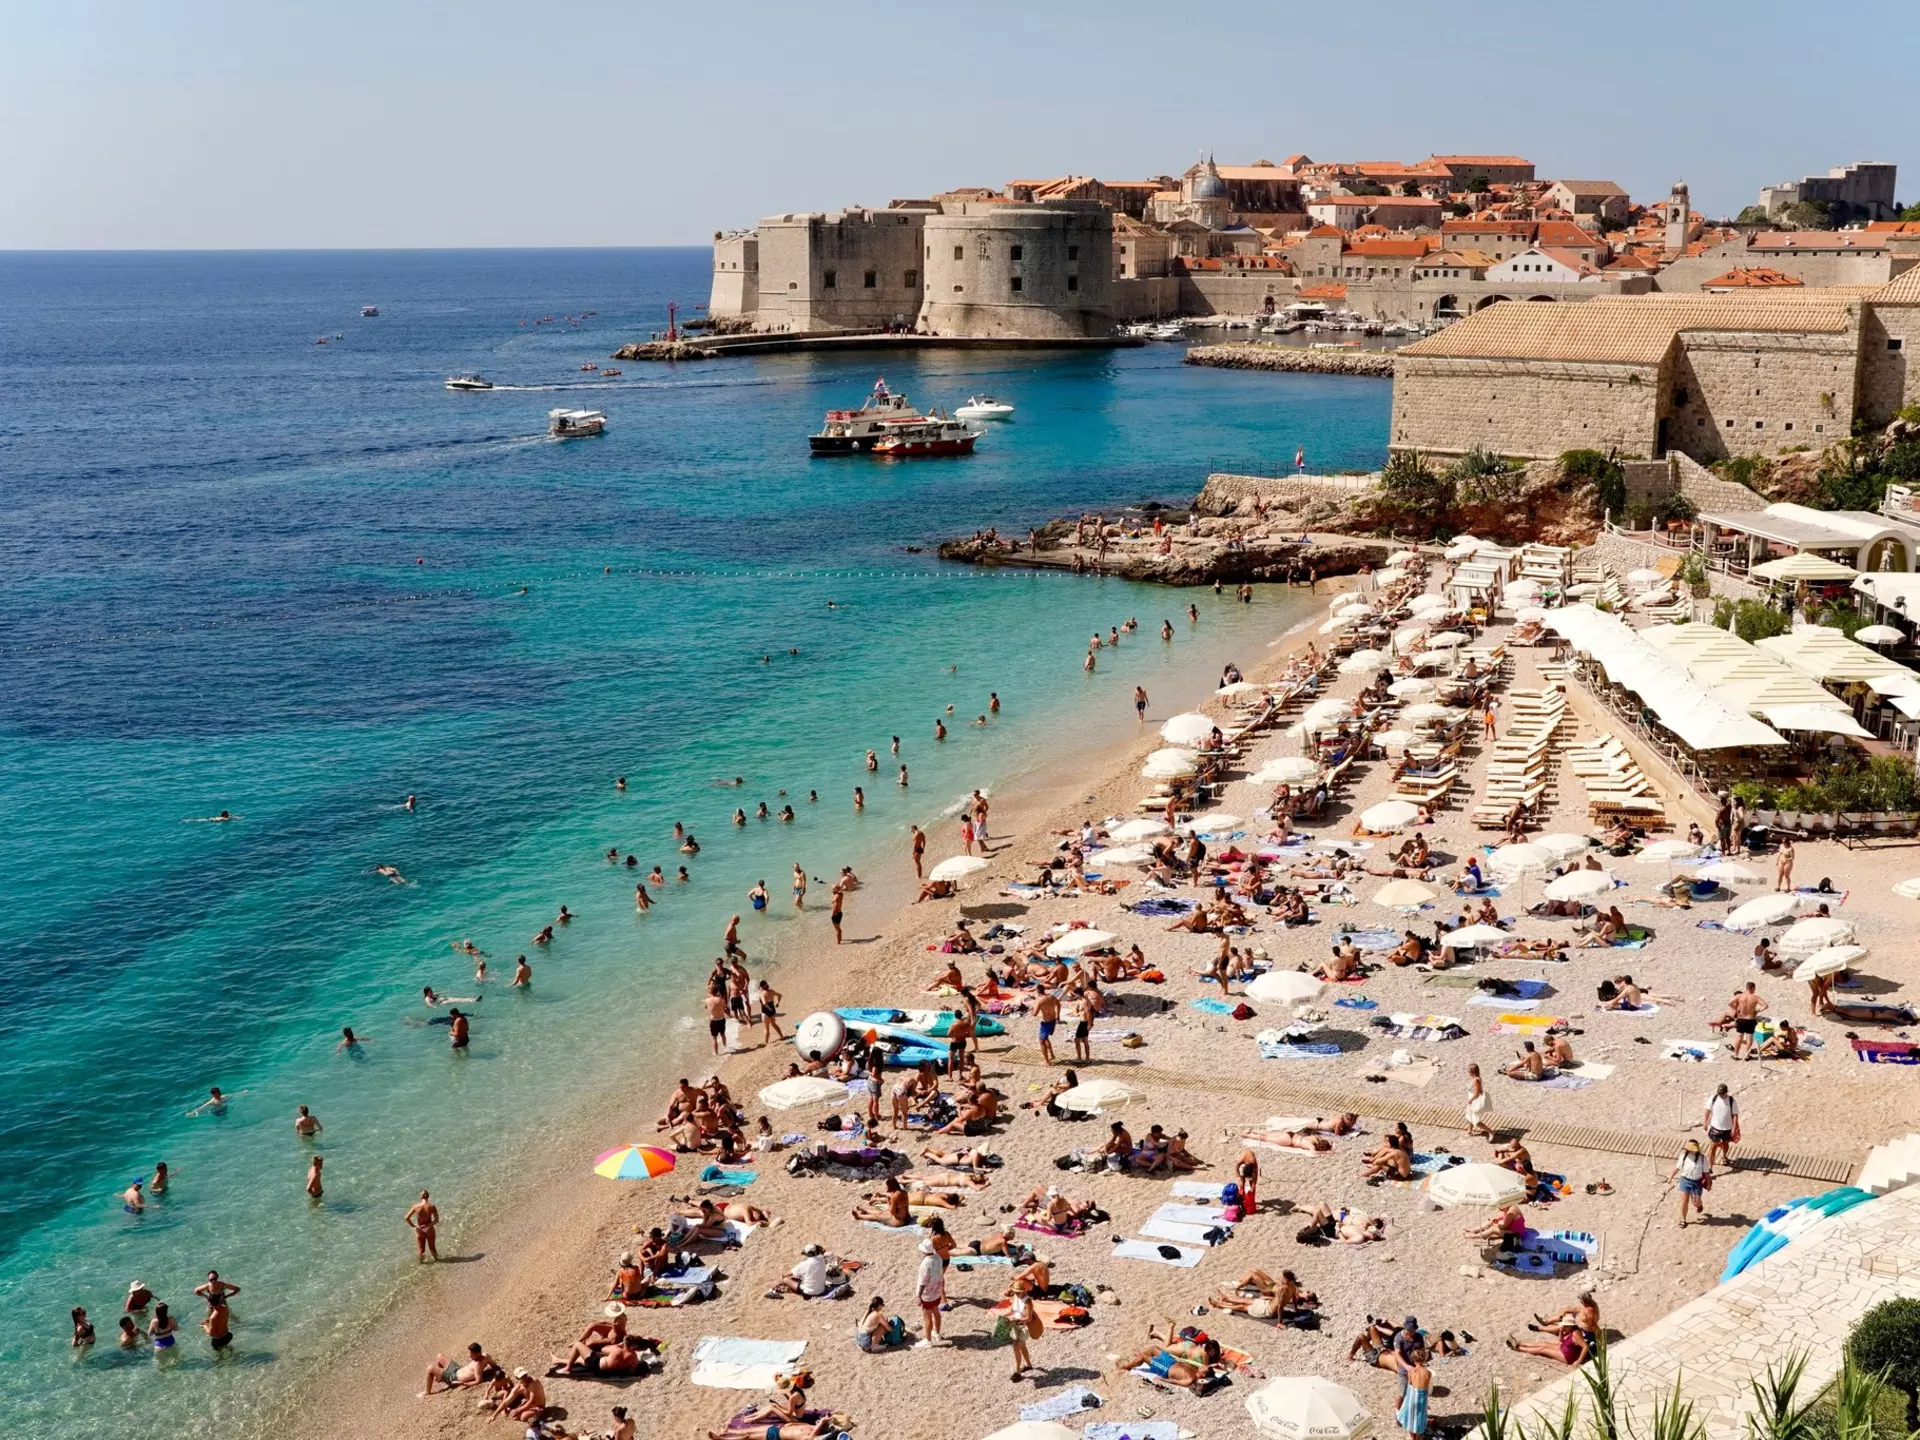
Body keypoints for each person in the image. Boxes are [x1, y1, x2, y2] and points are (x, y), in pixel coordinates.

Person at [424, 1341, 495, 1394]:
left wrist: (462, 1383)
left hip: (453, 1377)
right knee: (439, 1356)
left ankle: (427, 1392)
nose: (469, 1355)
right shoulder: (486, 1356)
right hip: (457, 1369)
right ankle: (439, 1378)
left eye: (471, 1354)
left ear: (477, 1353)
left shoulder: (477, 1365)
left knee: (430, 1368)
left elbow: (478, 1381)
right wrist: (496, 1369)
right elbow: (494, 1366)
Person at [1005, 1277, 1039, 1381]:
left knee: (1016, 1347)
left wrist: (1016, 1320)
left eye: (1018, 1292)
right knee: (1022, 1345)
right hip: (1017, 1324)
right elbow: (1012, 1310)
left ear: (1023, 1291)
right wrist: (1004, 1316)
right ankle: (1028, 1364)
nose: (1016, 1294)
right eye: (1015, 1292)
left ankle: (1017, 1372)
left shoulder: (1028, 1302)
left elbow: (1028, 1318)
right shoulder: (1015, 1298)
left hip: (1025, 1326)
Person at [914, 1237, 946, 1347]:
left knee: (927, 1317)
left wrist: (918, 1296)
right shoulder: (938, 1257)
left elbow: (922, 1282)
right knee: (936, 1311)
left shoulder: (925, 1264)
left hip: (927, 1294)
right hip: (937, 1291)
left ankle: (927, 1340)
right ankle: (937, 1333)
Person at [1671, 1139, 1710, 1226]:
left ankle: (1699, 1205)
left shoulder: (1703, 1159)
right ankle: (1683, 1220)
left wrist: (1709, 1183)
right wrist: (1671, 1176)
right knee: (1684, 1201)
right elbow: (1677, 1167)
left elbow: (1706, 1173)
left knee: (1695, 1202)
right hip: (1685, 1180)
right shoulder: (1684, 1156)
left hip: (1697, 1182)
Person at [1728, 982, 1768, 1061]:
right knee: (1749, 1038)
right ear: (1752, 988)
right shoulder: (1755, 997)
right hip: (1751, 1019)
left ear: (1746, 987)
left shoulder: (1739, 996)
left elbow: (1729, 1003)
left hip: (1741, 1018)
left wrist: (1736, 1010)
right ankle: (1747, 1056)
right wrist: (1757, 1011)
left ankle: (1736, 1055)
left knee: (1739, 1036)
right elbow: (1765, 1005)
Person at [1704, 1084, 1740, 1170]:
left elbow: (1735, 1115)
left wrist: (1734, 1128)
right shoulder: (1713, 1098)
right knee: (1713, 1146)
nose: (1721, 1095)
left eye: (1722, 1093)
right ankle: (1710, 1167)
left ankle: (1724, 1156)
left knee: (1725, 1144)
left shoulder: (1731, 1101)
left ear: (1726, 1092)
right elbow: (1707, 1111)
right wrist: (1705, 1123)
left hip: (1727, 1128)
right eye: (1719, 1093)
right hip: (1715, 1127)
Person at [1399, 1349, 1432, 1438]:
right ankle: (1417, 1437)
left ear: (1413, 1359)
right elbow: (1427, 1387)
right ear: (1424, 1359)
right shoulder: (1428, 1373)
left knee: (1410, 1417)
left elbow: (1410, 1384)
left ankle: (1413, 1437)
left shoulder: (1411, 1372)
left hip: (1413, 1396)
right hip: (1422, 1397)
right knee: (1419, 1418)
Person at [407, 1191, 440, 1261]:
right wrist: (428, 1225)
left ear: (421, 1197)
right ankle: (437, 1261)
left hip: (420, 1229)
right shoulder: (432, 1206)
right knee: (432, 1248)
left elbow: (407, 1218)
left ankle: (422, 1264)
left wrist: (414, 1225)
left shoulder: (416, 1207)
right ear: (428, 1196)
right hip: (429, 1228)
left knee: (421, 1250)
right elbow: (436, 1220)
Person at [1464, 1062, 1491, 1137]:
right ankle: (1469, 1130)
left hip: (1474, 1100)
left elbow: (1476, 1093)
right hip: (1473, 1100)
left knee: (1475, 1119)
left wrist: (1471, 1100)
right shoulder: (1474, 1078)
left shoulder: (1476, 1080)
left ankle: (1490, 1131)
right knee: (1469, 1115)